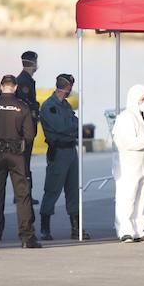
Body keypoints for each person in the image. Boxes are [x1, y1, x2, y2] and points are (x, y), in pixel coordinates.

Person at [0, 75, 40, 249]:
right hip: (17, 155)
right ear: (15, 87)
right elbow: (30, 135)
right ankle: (27, 238)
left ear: (1, 86)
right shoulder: (22, 106)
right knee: (23, 196)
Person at [39, 74, 88, 241]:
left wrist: (72, 129)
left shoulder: (66, 105)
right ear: (66, 88)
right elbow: (63, 127)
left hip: (70, 151)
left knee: (73, 189)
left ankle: (76, 228)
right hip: (58, 152)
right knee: (52, 189)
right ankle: (45, 227)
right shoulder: (49, 106)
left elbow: (75, 124)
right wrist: (72, 129)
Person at [112, 84, 144, 243]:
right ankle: (125, 230)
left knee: (141, 198)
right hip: (128, 166)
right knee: (127, 198)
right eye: (142, 99)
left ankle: (139, 230)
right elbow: (126, 142)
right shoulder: (125, 117)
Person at [15, 50, 40, 204]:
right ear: (33, 63)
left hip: (27, 128)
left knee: (24, 162)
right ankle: (23, 195)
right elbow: (25, 106)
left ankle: (23, 194)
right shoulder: (24, 81)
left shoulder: (27, 80)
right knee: (24, 163)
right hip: (25, 130)